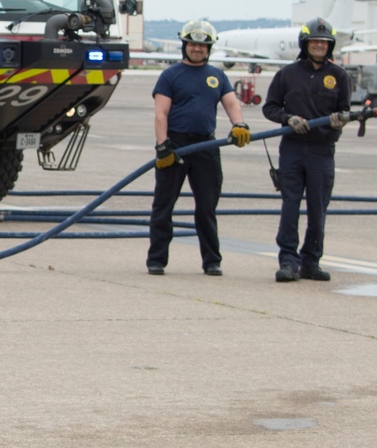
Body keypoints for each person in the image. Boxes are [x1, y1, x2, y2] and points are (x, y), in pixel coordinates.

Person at [146, 20, 250, 276]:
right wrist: (163, 147)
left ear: (209, 49)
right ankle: (156, 260)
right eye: (193, 44)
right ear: (185, 45)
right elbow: (161, 114)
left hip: (206, 146)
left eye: (203, 45)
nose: (197, 49)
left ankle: (212, 261)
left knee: (206, 208)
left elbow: (231, 103)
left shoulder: (217, 76)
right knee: (163, 206)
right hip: (175, 146)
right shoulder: (170, 75)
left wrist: (240, 124)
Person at [262, 17, 351, 283]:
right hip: (292, 148)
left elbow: (345, 111)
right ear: (305, 43)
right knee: (290, 205)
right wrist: (288, 119)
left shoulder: (339, 76)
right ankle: (288, 261)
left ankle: (311, 261)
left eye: (324, 42)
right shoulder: (287, 74)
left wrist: (339, 121)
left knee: (318, 208)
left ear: (330, 46)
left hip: (322, 151)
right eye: (314, 41)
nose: (319, 46)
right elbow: (270, 108)